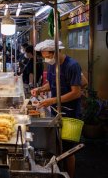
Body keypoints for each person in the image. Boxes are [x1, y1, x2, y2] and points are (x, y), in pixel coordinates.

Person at [30, 39, 82, 178]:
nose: (46, 59)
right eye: (44, 56)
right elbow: (51, 83)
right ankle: (59, 171)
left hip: (70, 113)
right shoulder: (53, 65)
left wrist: (53, 100)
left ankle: (68, 175)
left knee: (68, 150)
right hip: (55, 111)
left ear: (56, 52)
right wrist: (40, 89)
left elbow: (76, 92)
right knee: (57, 146)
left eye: (47, 56)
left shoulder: (72, 65)